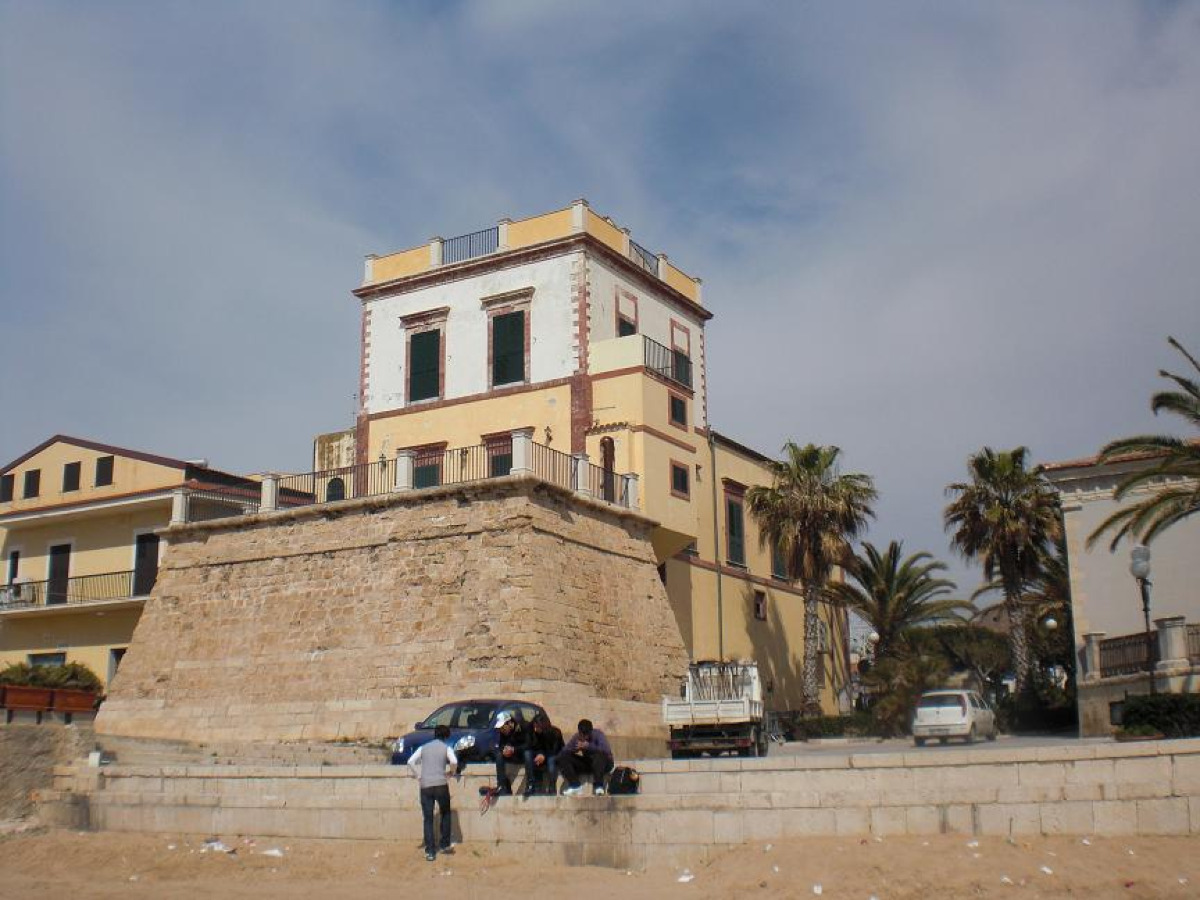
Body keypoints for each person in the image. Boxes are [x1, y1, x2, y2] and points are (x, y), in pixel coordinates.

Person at [407, 724, 457, 862]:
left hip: (426, 786)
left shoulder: (424, 747)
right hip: (441, 783)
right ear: (446, 736)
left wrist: (418, 776)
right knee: (445, 813)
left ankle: (430, 851)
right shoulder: (446, 747)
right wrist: (451, 772)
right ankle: (445, 843)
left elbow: (410, 761)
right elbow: (454, 761)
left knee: (428, 818)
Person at [556, 718, 613, 796]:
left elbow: (606, 751)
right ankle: (575, 785)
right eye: (582, 734)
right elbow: (564, 751)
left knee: (599, 756)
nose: (584, 737)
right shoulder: (577, 737)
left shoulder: (598, 735)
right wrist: (574, 749)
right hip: (589, 764)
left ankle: (599, 786)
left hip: (605, 763)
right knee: (564, 757)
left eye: (586, 735)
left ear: (590, 732)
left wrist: (589, 746)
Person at [493, 710, 533, 796]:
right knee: (499, 755)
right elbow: (501, 745)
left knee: (528, 753)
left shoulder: (524, 726)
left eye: (503, 727)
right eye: (500, 728)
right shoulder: (503, 732)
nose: (502, 730)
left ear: (510, 723)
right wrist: (504, 750)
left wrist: (514, 749)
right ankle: (501, 786)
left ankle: (531, 785)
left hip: (524, 754)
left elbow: (529, 744)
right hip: (513, 755)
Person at [528, 712, 564, 796]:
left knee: (551, 760)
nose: (535, 729)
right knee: (534, 758)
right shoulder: (537, 733)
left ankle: (552, 786)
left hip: (556, 754)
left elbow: (555, 750)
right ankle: (537, 785)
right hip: (544, 754)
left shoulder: (556, 732)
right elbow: (536, 747)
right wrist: (540, 754)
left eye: (537, 727)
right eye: (535, 726)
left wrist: (544, 755)